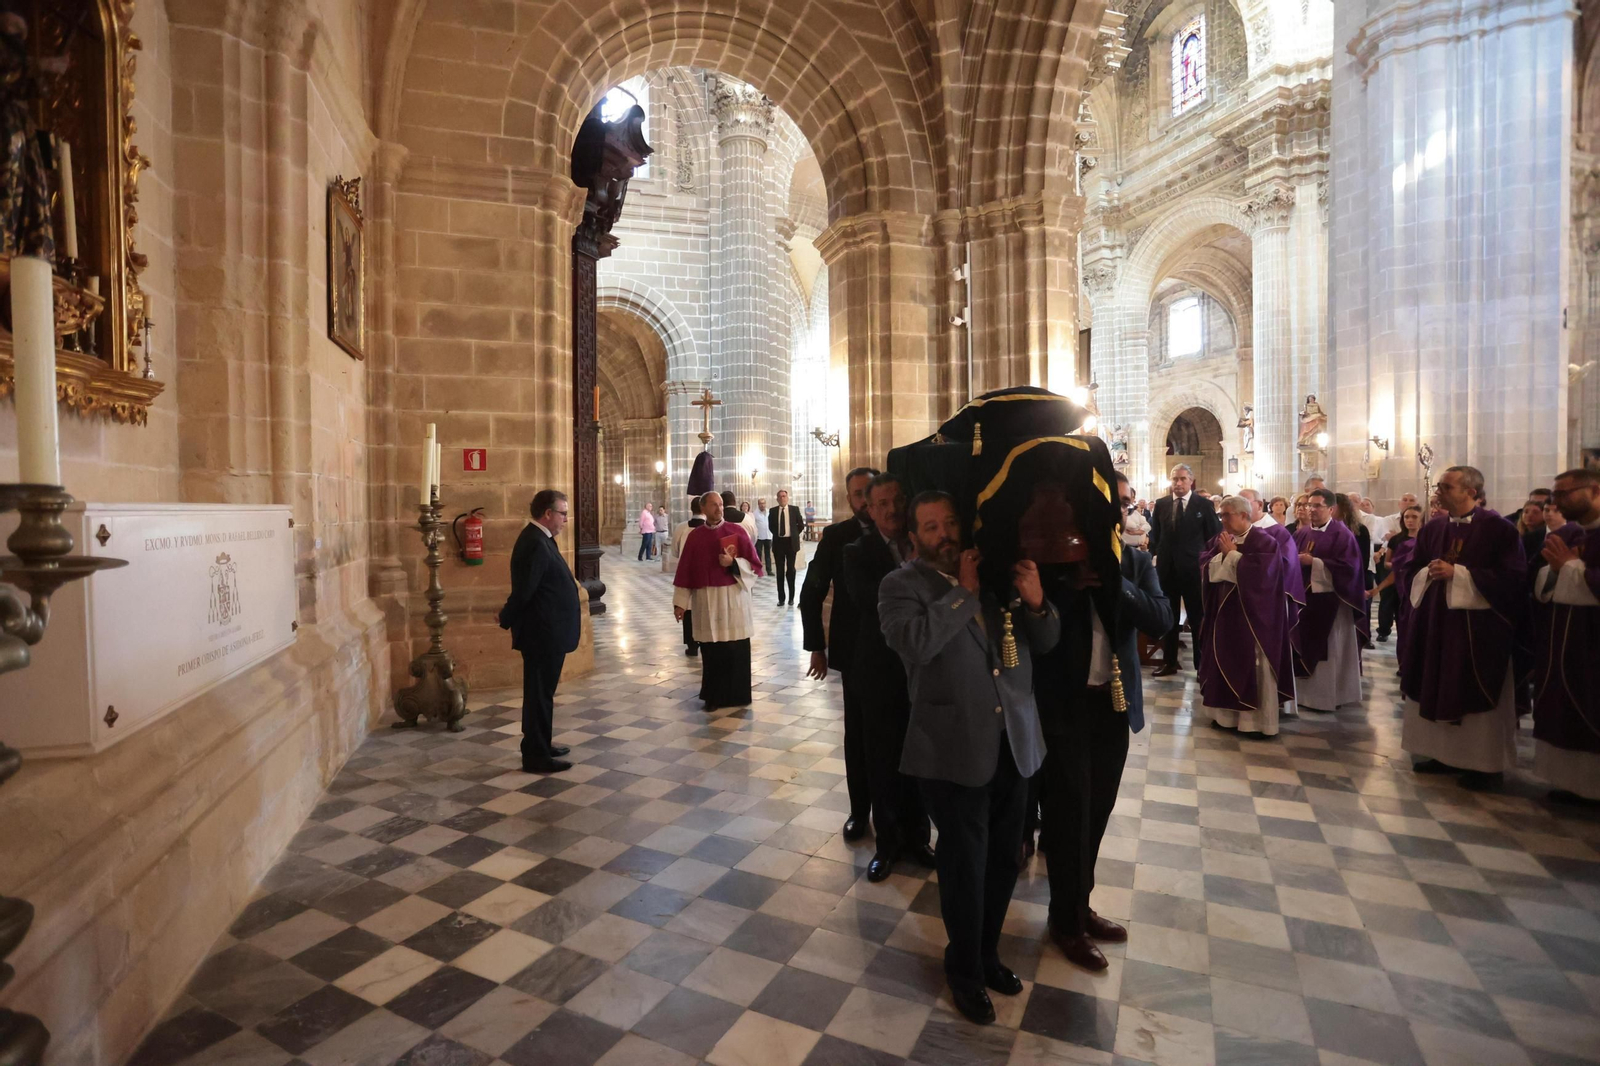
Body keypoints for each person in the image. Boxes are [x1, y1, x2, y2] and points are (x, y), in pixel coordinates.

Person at [878, 491, 1058, 1025]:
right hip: (951, 748)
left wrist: (1035, 602)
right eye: (931, 527)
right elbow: (915, 643)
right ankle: (964, 971)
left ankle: (987, 954)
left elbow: (1045, 642)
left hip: (1014, 741)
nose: (945, 534)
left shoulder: (994, 572)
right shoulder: (901, 585)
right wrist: (963, 593)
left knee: (1004, 859)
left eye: (950, 522)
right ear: (914, 538)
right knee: (965, 866)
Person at [1034, 471, 1171, 973]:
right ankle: (1065, 921)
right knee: (1068, 816)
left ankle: (1080, 906)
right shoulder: (1055, 565)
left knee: (1097, 812)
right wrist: (1071, 589)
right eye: (1104, 503)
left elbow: (1162, 619)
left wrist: (1119, 588)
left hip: (1113, 706)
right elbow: (1037, 633)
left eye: (1122, 504)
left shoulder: (1135, 562)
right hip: (1065, 707)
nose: (1115, 512)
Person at [1398, 466, 1525, 790]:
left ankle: (1485, 765)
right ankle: (1441, 755)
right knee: (1434, 683)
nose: (1438, 492)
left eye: (1447, 487)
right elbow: (1411, 569)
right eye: (1439, 486)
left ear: (1471, 491)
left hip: (1477, 631)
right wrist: (1429, 572)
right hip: (1436, 626)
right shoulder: (1433, 528)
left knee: (1473, 688)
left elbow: (1513, 580)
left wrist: (1460, 575)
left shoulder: (1500, 529)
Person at [842, 474, 933, 882]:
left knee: (920, 757)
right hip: (879, 672)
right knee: (882, 760)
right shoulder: (857, 552)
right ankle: (888, 845)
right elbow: (870, 600)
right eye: (882, 503)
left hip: (924, 669)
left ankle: (919, 839)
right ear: (870, 509)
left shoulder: (925, 542)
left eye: (897, 500)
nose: (892, 509)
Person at [799, 467, 879, 839]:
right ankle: (860, 811)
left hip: (899, 649)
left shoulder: (901, 531)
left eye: (870, 492)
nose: (865, 500)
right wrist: (817, 646)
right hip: (855, 649)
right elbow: (811, 591)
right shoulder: (837, 536)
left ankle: (904, 823)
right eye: (858, 494)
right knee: (858, 734)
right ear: (849, 499)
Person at [1199, 495, 1302, 736]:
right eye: (1221, 515)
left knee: (1253, 666)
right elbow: (1204, 563)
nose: (1222, 520)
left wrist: (1233, 555)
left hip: (1255, 619)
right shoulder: (1221, 539)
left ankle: (1255, 723)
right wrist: (1225, 555)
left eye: (1227, 515)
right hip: (1225, 616)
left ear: (1244, 515)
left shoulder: (1264, 541)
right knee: (1224, 659)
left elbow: (1264, 577)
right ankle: (1224, 717)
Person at [499, 490, 581, 774]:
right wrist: (506, 616)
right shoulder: (534, 542)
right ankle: (536, 755)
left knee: (543, 694)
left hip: (547, 632)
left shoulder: (541, 539)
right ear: (548, 513)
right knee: (538, 695)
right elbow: (525, 590)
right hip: (542, 635)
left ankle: (540, 745)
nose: (566, 519)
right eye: (563, 513)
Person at [1531, 469, 1600, 803]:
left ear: (1595, 490)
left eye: (1564, 494)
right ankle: (1578, 785)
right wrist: (1559, 569)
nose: (1556, 502)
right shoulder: (1575, 534)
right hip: (1568, 637)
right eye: (1554, 495)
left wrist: (1570, 567)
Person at [674, 491, 764, 711]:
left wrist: (733, 563)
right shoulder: (695, 537)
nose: (719, 509)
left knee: (735, 649)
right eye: (714, 505)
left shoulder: (737, 531)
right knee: (712, 652)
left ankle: (738, 696)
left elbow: (755, 566)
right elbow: (685, 570)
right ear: (703, 508)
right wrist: (680, 603)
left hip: (734, 599)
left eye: (721, 504)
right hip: (707, 601)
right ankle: (714, 697)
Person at [1292, 488, 1367, 712]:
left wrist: (1314, 563)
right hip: (1306, 602)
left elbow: (1349, 569)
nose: (1311, 510)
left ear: (1331, 509)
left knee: (1330, 650)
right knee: (1304, 644)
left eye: (1317, 506)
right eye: (1309, 505)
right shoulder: (1302, 533)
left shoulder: (1342, 535)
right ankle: (1303, 696)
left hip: (1332, 604)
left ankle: (1327, 697)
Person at [1149, 463, 1222, 676]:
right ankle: (1169, 662)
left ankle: (1201, 666)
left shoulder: (1203, 504)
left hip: (1193, 569)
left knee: (1197, 616)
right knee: (1169, 616)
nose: (1178, 483)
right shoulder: (1162, 504)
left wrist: (1204, 560)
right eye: (1175, 479)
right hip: (1167, 569)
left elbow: (1213, 535)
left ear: (1191, 481)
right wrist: (1159, 554)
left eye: (1182, 479)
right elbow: (1156, 535)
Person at [1372, 505, 1423, 644]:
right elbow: (1387, 563)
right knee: (1396, 612)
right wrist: (1401, 564)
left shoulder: (1425, 538)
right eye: (1406, 517)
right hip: (1397, 582)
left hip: (1417, 583)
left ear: (1421, 519)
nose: (1410, 520)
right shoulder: (1396, 539)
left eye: (1414, 517)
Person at [670, 496, 706, 655]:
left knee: (688, 607)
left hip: (687, 572)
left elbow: (675, 551)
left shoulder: (682, 528)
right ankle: (706, 642)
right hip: (706, 575)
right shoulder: (710, 528)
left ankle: (692, 645)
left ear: (691, 509)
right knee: (705, 608)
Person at [770, 488, 803, 607]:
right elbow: (771, 526)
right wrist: (779, 535)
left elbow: (801, 525)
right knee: (779, 571)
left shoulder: (794, 509)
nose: (782, 498)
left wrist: (793, 534)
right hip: (779, 543)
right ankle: (781, 598)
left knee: (791, 570)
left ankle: (791, 598)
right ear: (777, 499)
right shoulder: (773, 511)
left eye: (784, 496)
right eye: (780, 496)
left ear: (787, 498)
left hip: (791, 543)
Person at [1520, 497, 1550, 562]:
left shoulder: (1545, 537)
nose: (1529, 515)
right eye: (1526, 512)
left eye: (1535, 512)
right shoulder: (1517, 534)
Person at [752, 496, 773, 574]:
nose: (762, 505)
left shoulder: (769, 512)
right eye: (761, 503)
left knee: (768, 554)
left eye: (764, 503)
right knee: (758, 554)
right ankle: (759, 570)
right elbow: (753, 525)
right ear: (758, 504)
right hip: (759, 537)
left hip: (768, 536)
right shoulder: (755, 513)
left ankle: (769, 570)